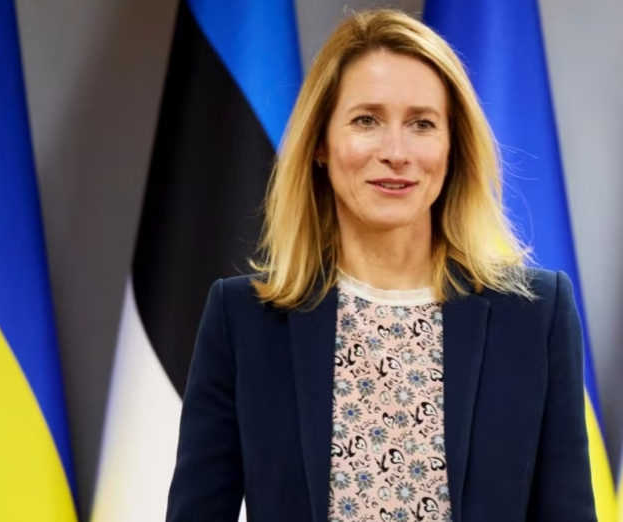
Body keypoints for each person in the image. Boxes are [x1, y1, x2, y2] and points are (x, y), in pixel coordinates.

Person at [166, 9, 596, 522]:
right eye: (366, 120)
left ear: (453, 147)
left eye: (422, 124)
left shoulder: (536, 315)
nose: (396, 152)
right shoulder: (242, 319)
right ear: (320, 143)